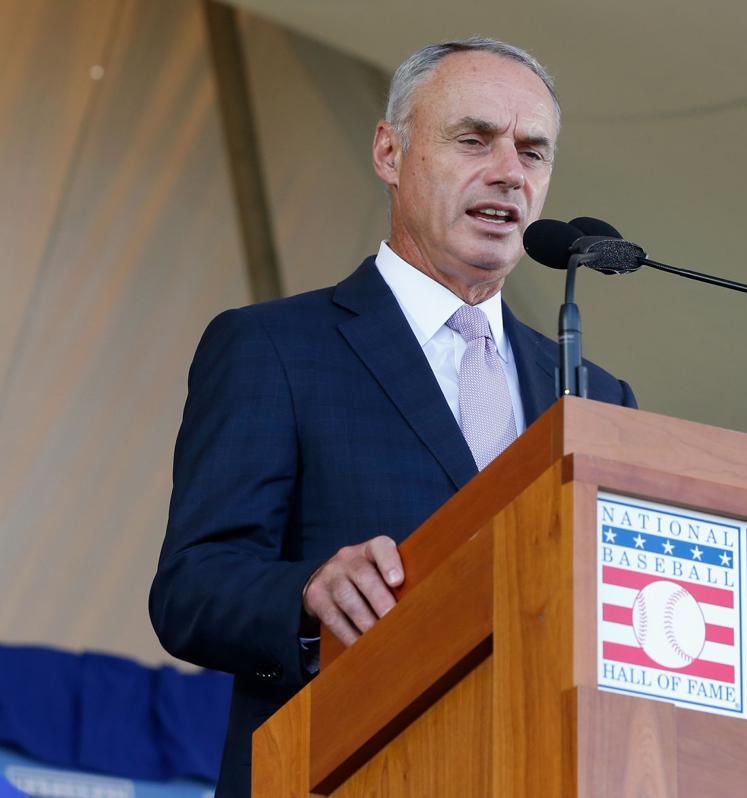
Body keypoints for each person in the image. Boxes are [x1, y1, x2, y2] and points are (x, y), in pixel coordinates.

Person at [149, 37, 635, 797]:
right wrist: (307, 594)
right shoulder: (274, 348)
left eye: (533, 152)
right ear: (389, 152)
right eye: (474, 139)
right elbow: (192, 589)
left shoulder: (597, 396)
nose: (508, 171)